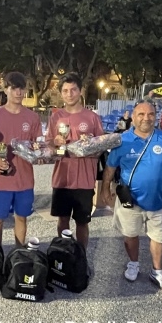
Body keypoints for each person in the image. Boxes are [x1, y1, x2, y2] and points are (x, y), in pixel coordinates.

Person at [101, 101, 162, 293]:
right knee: (130, 235)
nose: (146, 118)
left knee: (159, 237)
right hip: (130, 200)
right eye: (141, 114)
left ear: (156, 116)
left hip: (158, 199)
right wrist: (105, 189)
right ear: (133, 117)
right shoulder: (122, 140)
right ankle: (133, 263)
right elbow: (110, 167)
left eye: (151, 114)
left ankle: (157, 271)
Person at [0, 72, 42, 247]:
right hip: (1, 180)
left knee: (21, 217)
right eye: (14, 88)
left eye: (21, 88)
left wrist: (39, 152)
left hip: (24, 179)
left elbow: (38, 145)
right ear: (5, 89)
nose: (18, 92)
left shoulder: (32, 117)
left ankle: (18, 253)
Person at [46, 72, 103, 250]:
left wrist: (90, 144)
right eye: (65, 91)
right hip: (62, 178)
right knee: (62, 220)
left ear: (80, 91)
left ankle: (80, 256)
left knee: (82, 222)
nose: (69, 94)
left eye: (73, 90)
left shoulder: (92, 117)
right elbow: (48, 146)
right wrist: (55, 143)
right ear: (61, 93)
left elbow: (101, 146)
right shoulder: (55, 118)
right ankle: (63, 254)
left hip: (84, 180)